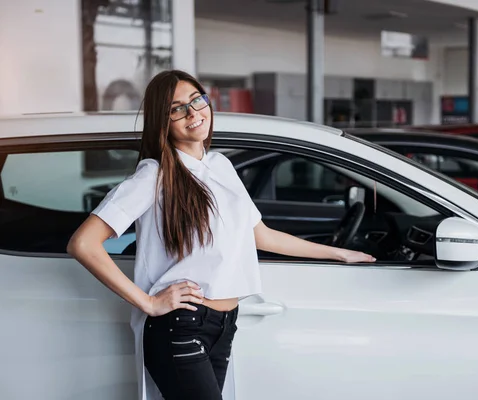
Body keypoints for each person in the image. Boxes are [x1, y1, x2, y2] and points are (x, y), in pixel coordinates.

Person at [67, 69, 375, 400]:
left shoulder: (219, 165)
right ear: (163, 121)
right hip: (180, 326)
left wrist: (340, 252)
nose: (193, 113)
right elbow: (83, 243)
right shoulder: (155, 175)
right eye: (177, 108)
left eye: (197, 100)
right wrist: (149, 303)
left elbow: (262, 236)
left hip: (224, 325)